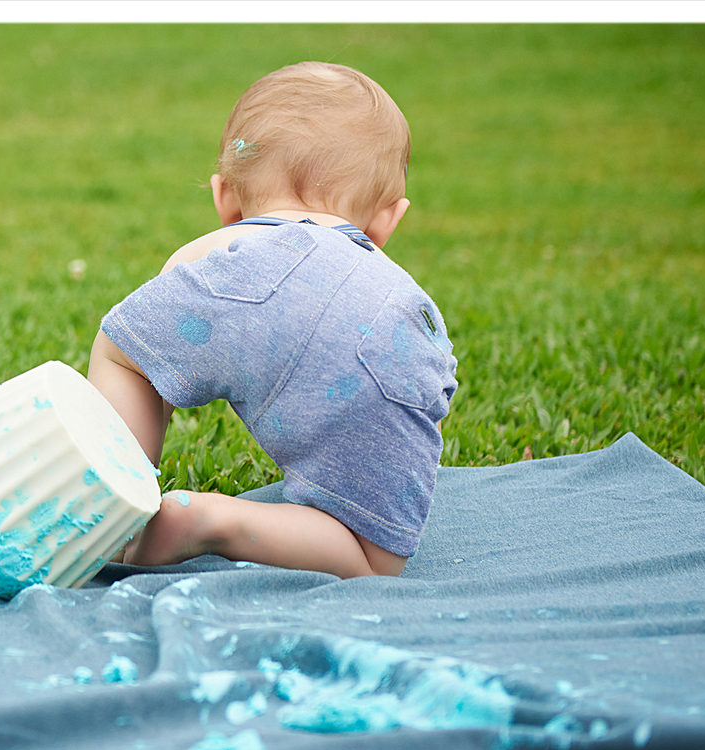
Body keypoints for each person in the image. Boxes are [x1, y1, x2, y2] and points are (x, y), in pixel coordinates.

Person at [87, 61, 457, 578]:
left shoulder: (220, 252)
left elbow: (154, 347)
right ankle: (218, 522)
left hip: (240, 294)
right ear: (388, 219)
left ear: (225, 198)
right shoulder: (384, 275)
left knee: (128, 357)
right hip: (396, 341)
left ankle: (112, 503)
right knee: (374, 560)